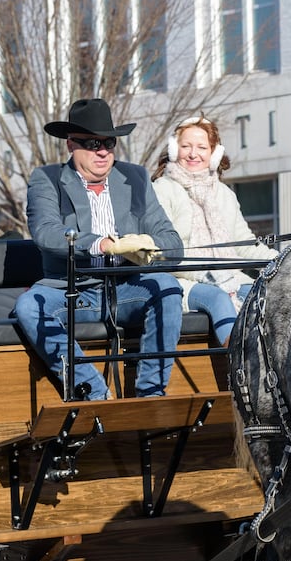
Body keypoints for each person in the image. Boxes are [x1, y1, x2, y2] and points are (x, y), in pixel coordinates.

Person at [15, 98, 184, 400]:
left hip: (126, 288)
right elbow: (47, 233)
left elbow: (172, 242)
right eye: (93, 143)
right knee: (29, 306)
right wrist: (100, 243)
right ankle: (94, 393)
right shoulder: (47, 179)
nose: (103, 151)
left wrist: (146, 245)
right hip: (72, 291)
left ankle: (151, 394)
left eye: (109, 142)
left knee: (167, 288)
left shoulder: (135, 177)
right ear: (71, 144)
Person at [150, 115, 276, 344]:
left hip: (229, 277)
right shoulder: (161, 190)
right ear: (174, 149)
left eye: (201, 147)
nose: (193, 153)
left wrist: (283, 260)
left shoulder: (225, 194)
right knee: (218, 298)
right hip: (183, 280)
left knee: (267, 297)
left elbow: (245, 246)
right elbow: (162, 253)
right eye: (185, 146)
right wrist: (205, 273)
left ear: (214, 153)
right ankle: (237, 361)